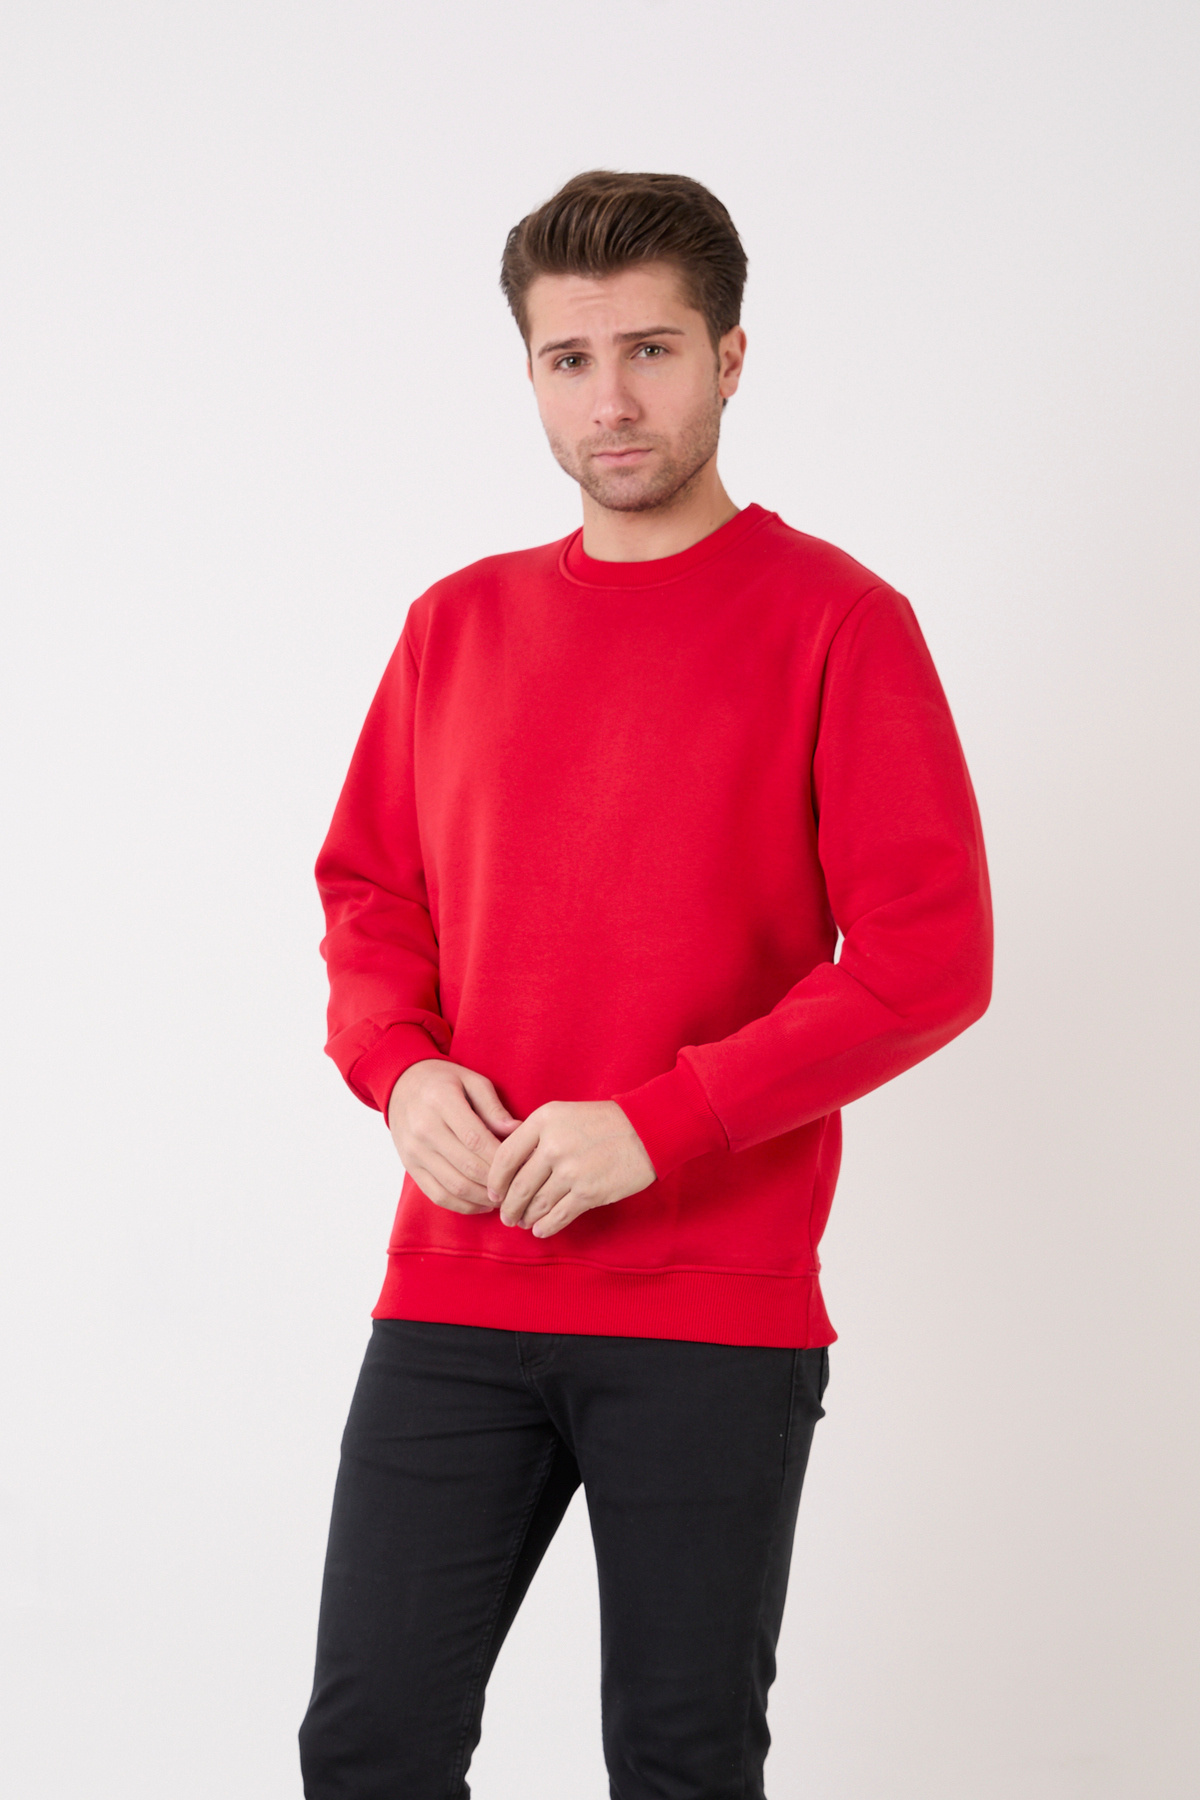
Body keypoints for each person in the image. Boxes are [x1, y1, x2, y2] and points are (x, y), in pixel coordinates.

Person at [297, 169, 993, 1800]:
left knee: (681, 1764)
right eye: (570, 358)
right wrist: (399, 1067)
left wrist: (659, 1125)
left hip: (712, 1307)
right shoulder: (455, 625)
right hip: (458, 1288)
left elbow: (928, 958)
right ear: (532, 374)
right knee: (370, 1742)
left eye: (653, 350)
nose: (611, 399)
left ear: (730, 358)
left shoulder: (841, 624)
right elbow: (369, 895)